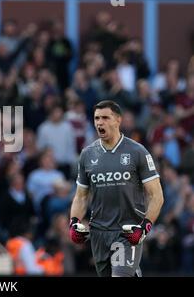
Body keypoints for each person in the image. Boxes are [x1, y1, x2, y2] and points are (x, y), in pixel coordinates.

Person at [69, 100, 164, 277]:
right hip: (98, 233)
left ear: (118, 120)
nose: (99, 122)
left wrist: (144, 228)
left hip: (127, 232)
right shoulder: (87, 155)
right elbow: (81, 196)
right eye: (97, 118)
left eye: (105, 117)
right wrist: (74, 222)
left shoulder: (138, 152)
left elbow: (156, 195)